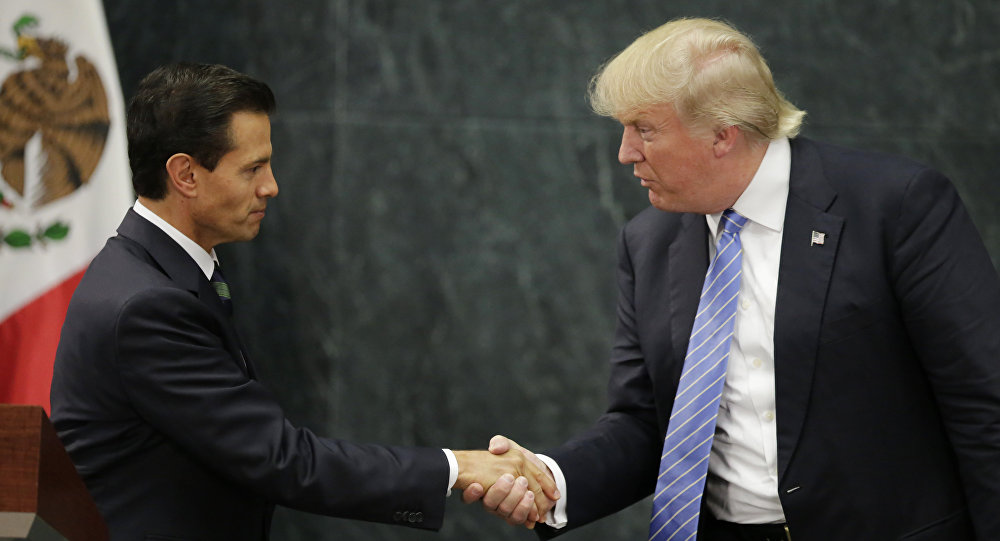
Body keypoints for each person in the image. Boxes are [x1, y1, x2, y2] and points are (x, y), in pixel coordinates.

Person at [467, 17, 1000, 540]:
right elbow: (648, 423)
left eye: (645, 130)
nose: (625, 152)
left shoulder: (895, 207)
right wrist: (548, 479)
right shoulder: (649, 241)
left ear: (723, 135)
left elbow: (984, 401)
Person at [49, 62, 556, 540]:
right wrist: (456, 466)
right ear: (185, 175)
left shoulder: (157, 271)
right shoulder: (147, 305)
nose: (271, 186)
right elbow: (283, 459)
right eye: (253, 169)